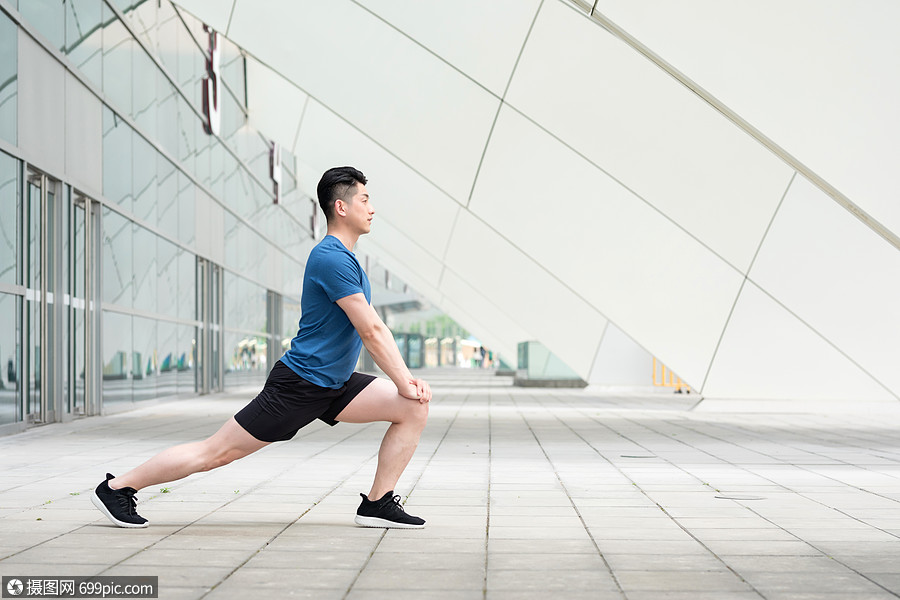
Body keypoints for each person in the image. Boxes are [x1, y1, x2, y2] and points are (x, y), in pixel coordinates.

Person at [91, 166, 431, 529]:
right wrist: (403, 379)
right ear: (341, 207)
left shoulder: (346, 257)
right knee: (216, 454)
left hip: (334, 383)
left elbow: (370, 329)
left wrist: (406, 387)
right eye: (364, 199)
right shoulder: (331, 257)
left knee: (413, 408)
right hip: (300, 384)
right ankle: (118, 488)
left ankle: (377, 503)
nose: (372, 208)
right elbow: (372, 330)